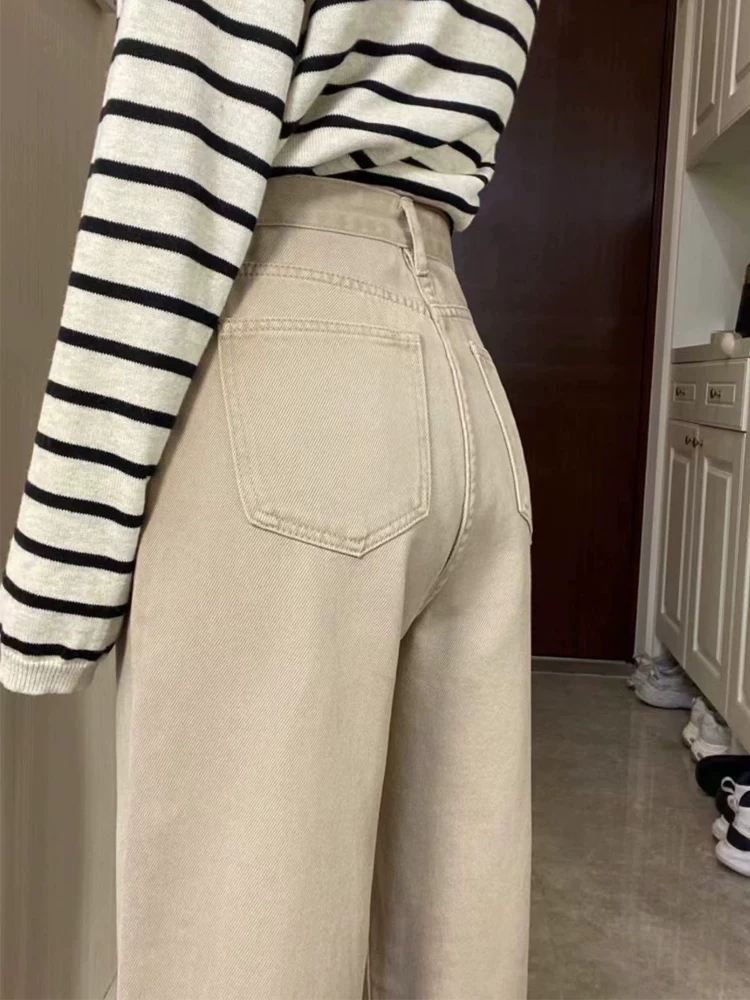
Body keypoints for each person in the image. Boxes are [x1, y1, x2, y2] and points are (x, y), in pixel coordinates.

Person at [0, 0, 538, 996]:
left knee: (231, 954)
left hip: (294, 363)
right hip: (460, 372)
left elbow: (176, 169)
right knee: (451, 950)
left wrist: (53, 586)